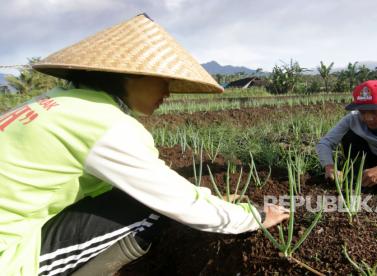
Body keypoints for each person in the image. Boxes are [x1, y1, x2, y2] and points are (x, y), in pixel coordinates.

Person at [0, 14, 289, 276]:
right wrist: (255, 217)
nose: (168, 92)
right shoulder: (105, 124)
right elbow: (180, 202)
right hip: (7, 256)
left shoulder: (55, 102)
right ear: (129, 73)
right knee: (150, 207)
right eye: (163, 80)